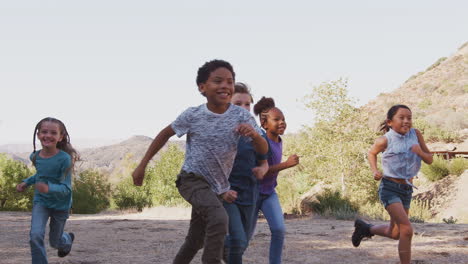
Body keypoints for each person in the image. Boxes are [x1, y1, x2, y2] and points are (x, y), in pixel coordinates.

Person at [131, 59, 268, 264]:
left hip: (217, 187)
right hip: (191, 179)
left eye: (230, 81)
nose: (225, 86)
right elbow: (164, 134)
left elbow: (262, 150)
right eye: (217, 81)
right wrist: (142, 166)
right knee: (219, 218)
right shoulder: (193, 115)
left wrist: (256, 137)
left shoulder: (241, 116)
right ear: (202, 87)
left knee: (196, 239)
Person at [352, 104, 433, 264]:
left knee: (396, 233)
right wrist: (375, 170)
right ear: (390, 122)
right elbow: (372, 153)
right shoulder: (385, 140)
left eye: (409, 118)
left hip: (406, 190)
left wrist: (420, 152)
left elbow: (429, 159)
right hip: (389, 188)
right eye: (401, 118)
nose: (406, 121)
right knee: (407, 230)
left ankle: (365, 228)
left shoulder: (416, 134)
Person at [16, 117, 79, 264]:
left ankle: (66, 239)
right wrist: (26, 183)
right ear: (38, 134)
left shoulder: (64, 159)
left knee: (55, 242)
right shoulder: (35, 156)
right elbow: (40, 175)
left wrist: (48, 188)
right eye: (44, 131)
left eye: (53, 132)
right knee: (35, 235)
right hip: (41, 202)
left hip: (61, 205)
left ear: (60, 137)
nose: (48, 135)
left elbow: (66, 188)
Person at [223, 83, 269, 264]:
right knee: (238, 241)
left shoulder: (256, 132)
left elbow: (264, 162)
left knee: (241, 245)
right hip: (227, 194)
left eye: (247, 104)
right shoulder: (220, 130)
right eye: (238, 103)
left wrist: (262, 170)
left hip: (251, 194)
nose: (244, 108)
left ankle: (221, 247)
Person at [250, 97, 300, 264]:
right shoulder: (262, 141)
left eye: (283, 119)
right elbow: (261, 172)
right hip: (253, 194)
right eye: (277, 119)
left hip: (269, 193)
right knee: (244, 236)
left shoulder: (278, 140)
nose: (282, 123)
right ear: (264, 124)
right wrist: (286, 164)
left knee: (279, 229)